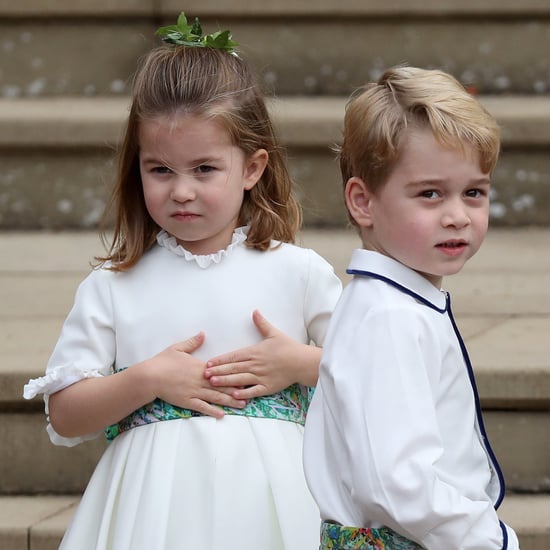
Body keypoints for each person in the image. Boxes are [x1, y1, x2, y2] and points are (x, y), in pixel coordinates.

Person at [23, 13, 342, 550]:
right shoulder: (114, 286)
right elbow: (66, 413)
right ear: (137, 169)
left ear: (252, 167)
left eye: (204, 169)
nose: (182, 191)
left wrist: (301, 364)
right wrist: (145, 379)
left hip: (276, 503)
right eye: (161, 170)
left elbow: (375, 373)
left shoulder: (297, 271)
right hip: (152, 512)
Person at [303, 66, 520, 549]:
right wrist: (490, 541)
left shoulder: (396, 302)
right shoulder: (390, 316)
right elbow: (398, 482)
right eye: (430, 194)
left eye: (474, 192)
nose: (457, 215)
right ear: (363, 202)